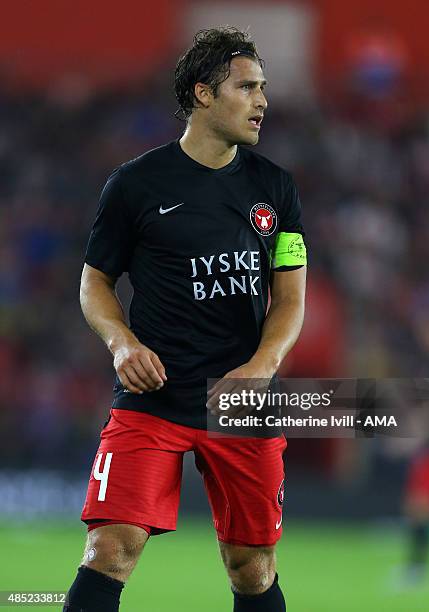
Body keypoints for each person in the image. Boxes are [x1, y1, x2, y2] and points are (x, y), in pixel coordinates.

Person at [64, 26, 307, 612]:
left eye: (263, 88)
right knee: (110, 549)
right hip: (154, 399)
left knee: (252, 567)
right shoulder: (135, 185)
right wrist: (121, 342)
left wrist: (261, 366)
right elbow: (94, 280)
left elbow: (291, 297)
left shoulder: (275, 186)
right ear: (204, 94)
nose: (262, 101)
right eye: (247, 87)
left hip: (242, 402)